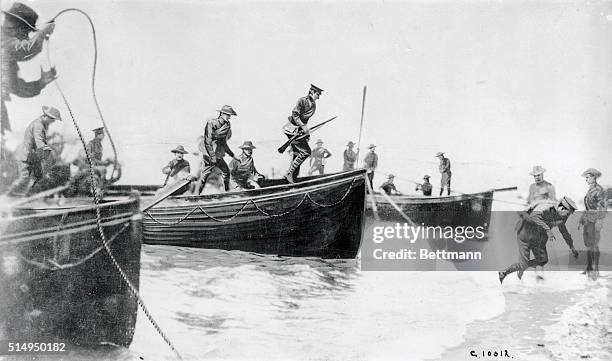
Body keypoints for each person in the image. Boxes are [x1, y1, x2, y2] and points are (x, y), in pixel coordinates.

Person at [1, 2, 57, 135]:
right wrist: (43, 32)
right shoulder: (4, 41)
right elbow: (27, 49)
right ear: (17, 28)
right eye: (26, 32)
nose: (26, 37)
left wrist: (40, 83)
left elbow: (16, 88)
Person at [498, 196, 579, 284]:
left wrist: (572, 247)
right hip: (526, 233)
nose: (567, 216)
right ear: (562, 208)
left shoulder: (562, 216)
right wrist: (547, 229)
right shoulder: (545, 207)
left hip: (539, 237)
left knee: (543, 259)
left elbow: (564, 232)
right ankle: (504, 272)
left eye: (569, 214)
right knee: (523, 264)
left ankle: (522, 266)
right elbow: (533, 216)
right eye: (567, 213)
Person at [7, 105, 61, 196]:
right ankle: (8, 195)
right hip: (26, 155)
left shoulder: (42, 124)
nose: (54, 121)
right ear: (46, 116)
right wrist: (50, 151)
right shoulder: (38, 125)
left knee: (38, 176)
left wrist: (51, 137)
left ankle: (27, 195)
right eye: (53, 119)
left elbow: (39, 139)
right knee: (24, 178)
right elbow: (39, 142)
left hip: (32, 155)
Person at [282, 84, 323, 183]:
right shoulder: (302, 100)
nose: (319, 96)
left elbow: (306, 121)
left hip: (299, 130)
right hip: (291, 129)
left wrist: (306, 134)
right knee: (306, 152)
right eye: (318, 94)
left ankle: (292, 178)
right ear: (312, 92)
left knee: (297, 153)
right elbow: (295, 114)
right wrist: (303, 127)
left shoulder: (313, 105)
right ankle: (289, 173)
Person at [193, 105, 238, 194]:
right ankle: (196, 195)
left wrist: (233, 155)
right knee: (204, 175)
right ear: (221, 114)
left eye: (230, 115)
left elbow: (224, 143)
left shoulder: (227, 126)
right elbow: (208, 141)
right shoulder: (212, 123)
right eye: (227, 115)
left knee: (226, 172)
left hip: (218, 154)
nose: (229, 117)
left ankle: (227, 192)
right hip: (209, 154)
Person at [578, 168, 606, 279]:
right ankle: (589, 267)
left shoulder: (599, 190)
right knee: (588, 244)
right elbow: (587, 207)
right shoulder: (590, 189)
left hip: (594, 221)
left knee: (594, 244)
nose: (586, 179)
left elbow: (602, 207)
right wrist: (581, 220)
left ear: (594, 177)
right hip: (587, 220)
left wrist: (600, 220)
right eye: (586, 177)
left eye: (588, 177)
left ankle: (596, 270)